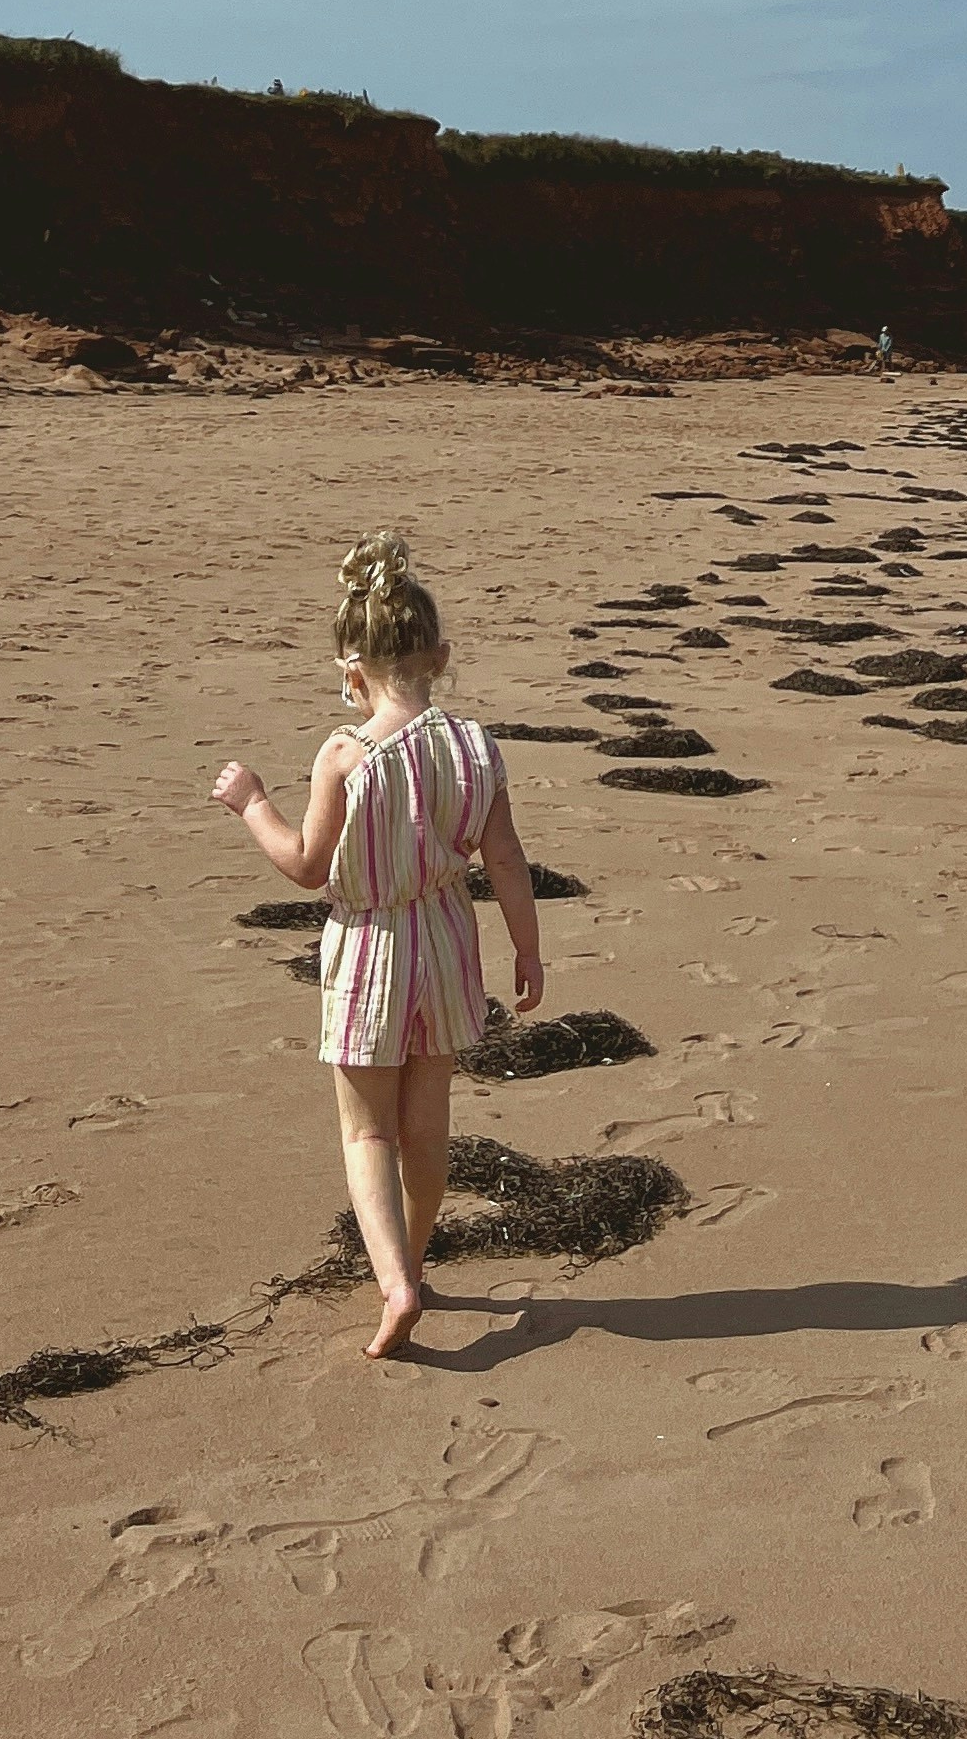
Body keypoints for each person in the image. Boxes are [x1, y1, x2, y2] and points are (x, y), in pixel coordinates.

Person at [210, 530, 544, 1360]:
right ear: (438, 656)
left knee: (367, 1133)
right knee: (427, 1128)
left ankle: (394, 1283)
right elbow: (504, 858)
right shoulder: (474, 747)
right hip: (445, 938)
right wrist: (527, 952)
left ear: (352, 672)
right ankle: (418, 1263)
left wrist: (253, 803)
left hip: (368, 951)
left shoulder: (344, 752)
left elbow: (306, 865)